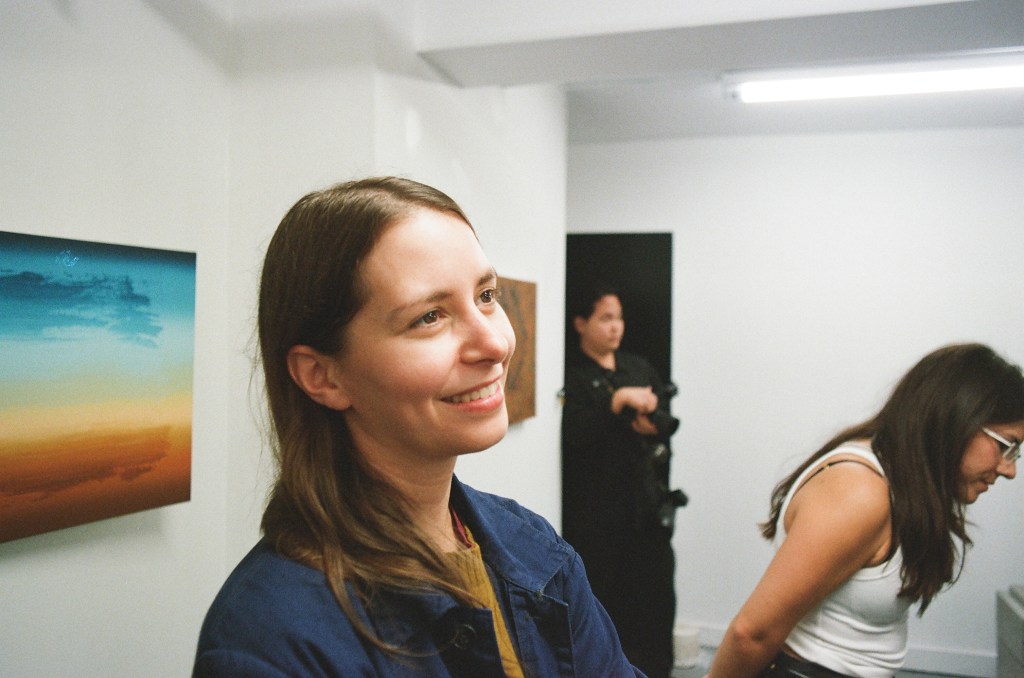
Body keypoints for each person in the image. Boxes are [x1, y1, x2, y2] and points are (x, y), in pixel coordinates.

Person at [193, 177, 643, 677]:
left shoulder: (531, 547)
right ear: (322, 375)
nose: (494, 343)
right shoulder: (271, 639)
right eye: (430, 316)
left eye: (487, 295)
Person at [707, 343, 1024, 678]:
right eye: (1007, 446)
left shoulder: (903, 485)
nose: (1009, 469)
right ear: (955, 420)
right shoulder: (860, 492)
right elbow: (751, 634)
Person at [561, 284, 682, 678]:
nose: (616, 327)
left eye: (619, 318)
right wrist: (614, 404)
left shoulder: (638, 367)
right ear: (581, 323)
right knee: (605, 614)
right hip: (597, 521)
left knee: (657, 607)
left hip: (646, 513)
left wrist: (651, 422)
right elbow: (573, 434)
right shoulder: (572, 377)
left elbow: (663, 421)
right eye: (605, 318)